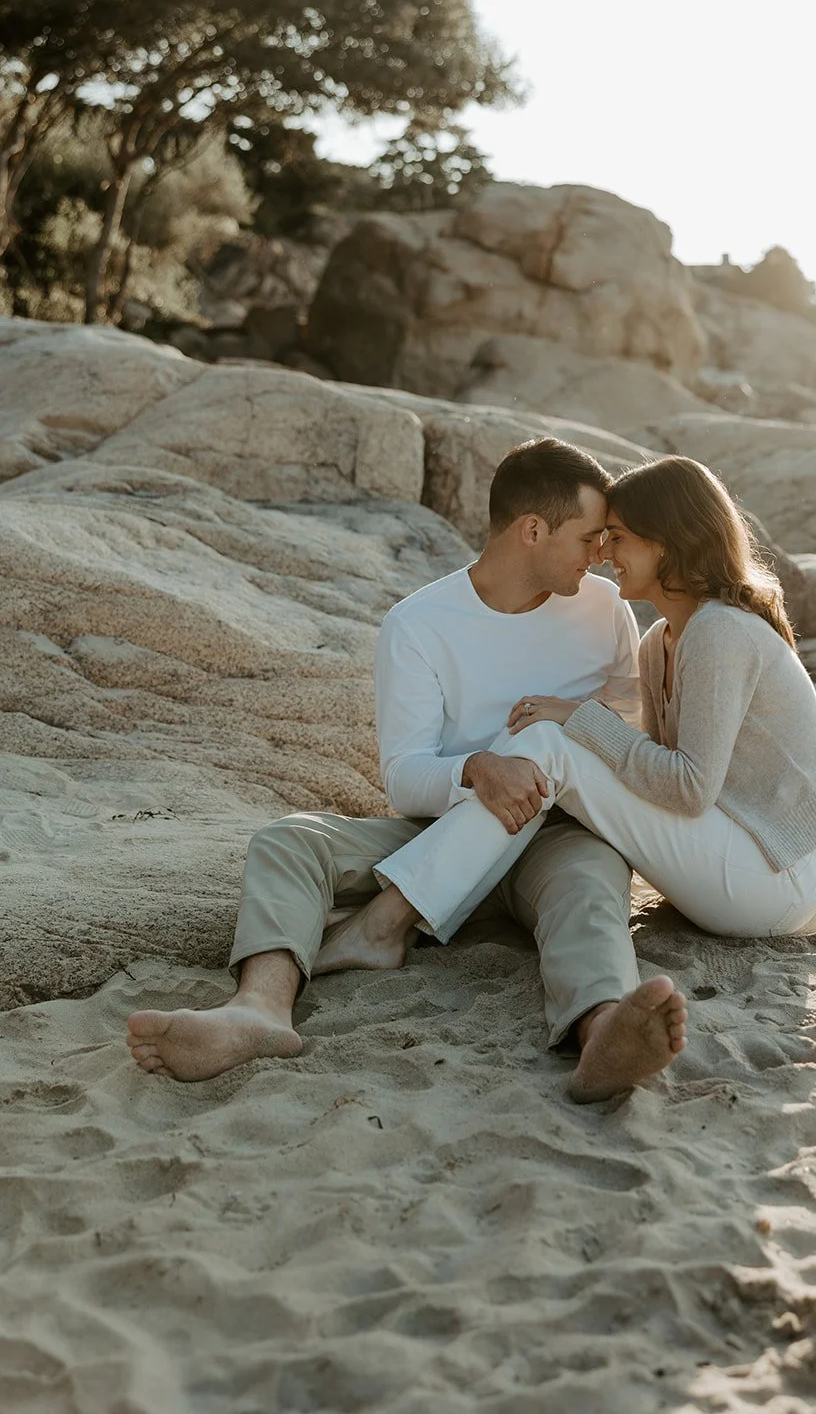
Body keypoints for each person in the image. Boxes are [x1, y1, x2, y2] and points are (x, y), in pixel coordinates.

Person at [127, 439, 689, 1103]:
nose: (599, 554)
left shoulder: (605, 610)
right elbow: (403, 776)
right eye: (589, 537)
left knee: (591, 889)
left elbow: (624, 733)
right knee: (288, 840)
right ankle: (260, 1009)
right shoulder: (419, 623)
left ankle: (603, 1036)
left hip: (559, 840)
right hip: (437, 839)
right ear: (533, 530)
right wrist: (477, 769)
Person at [326, 455, 816, 977]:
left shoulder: (720, 630)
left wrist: (577, 718)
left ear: (665, 542)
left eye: (616, 537)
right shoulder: (657, 644)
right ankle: (391, 919)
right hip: (728, 847)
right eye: (599, 537)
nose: (603, 553)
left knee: (552, 742)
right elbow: (651, 770)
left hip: (779, 872)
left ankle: (384, 923)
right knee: (551, 743)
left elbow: (688, 789)